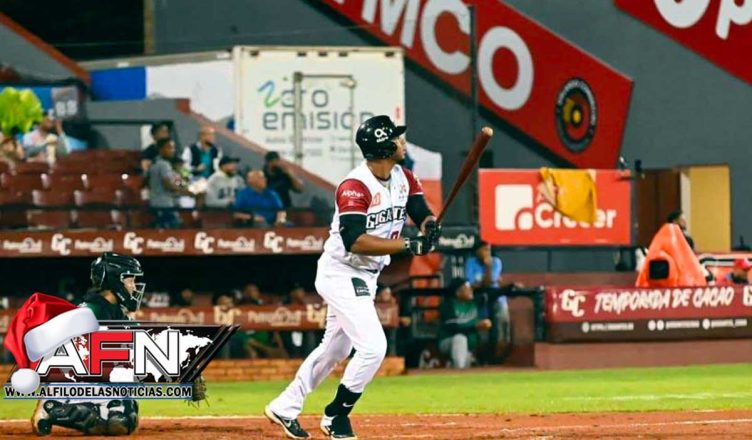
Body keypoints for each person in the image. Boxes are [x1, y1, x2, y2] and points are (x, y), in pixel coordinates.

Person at [265, 115, 441, 439]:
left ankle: (285, 406)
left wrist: (429, 224)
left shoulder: (403, 176)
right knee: (373, 347)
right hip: (342, 271)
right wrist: (408, 244)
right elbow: (354, 240)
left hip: (367, 274)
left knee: (334, 350)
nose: (402, 142)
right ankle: (336, 415)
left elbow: (419, 210)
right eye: (396, 138)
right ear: (384, 146)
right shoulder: (355, 186)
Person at [31, 253, 146, 435]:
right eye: (130, 280)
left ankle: (102, 407)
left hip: (92, 381)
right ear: (114, 281)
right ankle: (53, 405)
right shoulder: (91, 312)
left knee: (125, 418)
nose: (133, 286)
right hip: (73, 384)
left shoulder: (111, 310)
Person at [438, 278, 492, 369]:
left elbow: (493, 294)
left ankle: (457, 367)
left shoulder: (474, 302)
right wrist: (476, 327)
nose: (470, 290)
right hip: (448, 341)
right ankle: (459, 372)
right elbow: (454, 329)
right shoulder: (449, 305)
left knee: (468, 360)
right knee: (460, 338)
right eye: (467, 288)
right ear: (458, 292)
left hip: (468, 347)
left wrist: (509, 288)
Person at [148, 138, 192, 228]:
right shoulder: (162, 164)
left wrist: (184, 175)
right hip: (163, 205)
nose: (172, 150)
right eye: (169, 147)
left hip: (165, 204)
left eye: (173, 148)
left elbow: (180, 182)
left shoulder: (164, 165)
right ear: (161, 149)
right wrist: (186, 191)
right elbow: (169, 185)